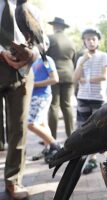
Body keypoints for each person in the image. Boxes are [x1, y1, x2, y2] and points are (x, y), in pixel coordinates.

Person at [0, 0, 38, 198]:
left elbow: (42, 42)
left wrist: (32, 54)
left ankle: (13, 181)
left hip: (23, 73)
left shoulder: (29, 9)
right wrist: (1, 52)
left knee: (18, 128)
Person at [73, 28, 107, 174]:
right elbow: (75, 78)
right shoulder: (81, 58)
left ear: (98, 41)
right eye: (87, 39)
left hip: (98, 98)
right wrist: (82, 61)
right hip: (83, 98)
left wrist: (86, 79)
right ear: (84, 41)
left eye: (93, 39)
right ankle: (85, 157)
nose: (90, 41)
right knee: (83, 129)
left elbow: (104, 76)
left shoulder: (104, 56)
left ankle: (94, 158)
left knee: (98, 129)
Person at [28, 36, 61, 163]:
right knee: (42, 124)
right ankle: (49, 148)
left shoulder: (45, 59)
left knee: (30, 123)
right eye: (35, 43)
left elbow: (55, 79)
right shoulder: (32, 61)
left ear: (46, 46)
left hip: (42, 95)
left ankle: (55, 145)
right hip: (34, 96)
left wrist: (34, 84)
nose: (38, 45)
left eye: (41, 43)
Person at [47, 17, 76, 139]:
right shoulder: (71, 41)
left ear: (54, 26)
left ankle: (51, 138)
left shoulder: (50, 38)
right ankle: (71, 136)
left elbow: (44, 57)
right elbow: (73, 58)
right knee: (67, 105)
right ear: (63, 28)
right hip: (69, 74)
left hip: (54, 75)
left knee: (53, 106)